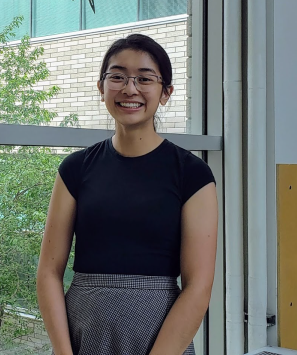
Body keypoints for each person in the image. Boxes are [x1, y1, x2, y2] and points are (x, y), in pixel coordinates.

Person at [36, 34, 218, 355]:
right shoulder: (75, 169)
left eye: (144, 79)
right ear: (101, 87)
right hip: (82, 330)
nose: (130, 89)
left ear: (165, 93)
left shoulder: (193, 174)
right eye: (117, 77)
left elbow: (198, 287)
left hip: (159, 336)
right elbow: (49, 272)